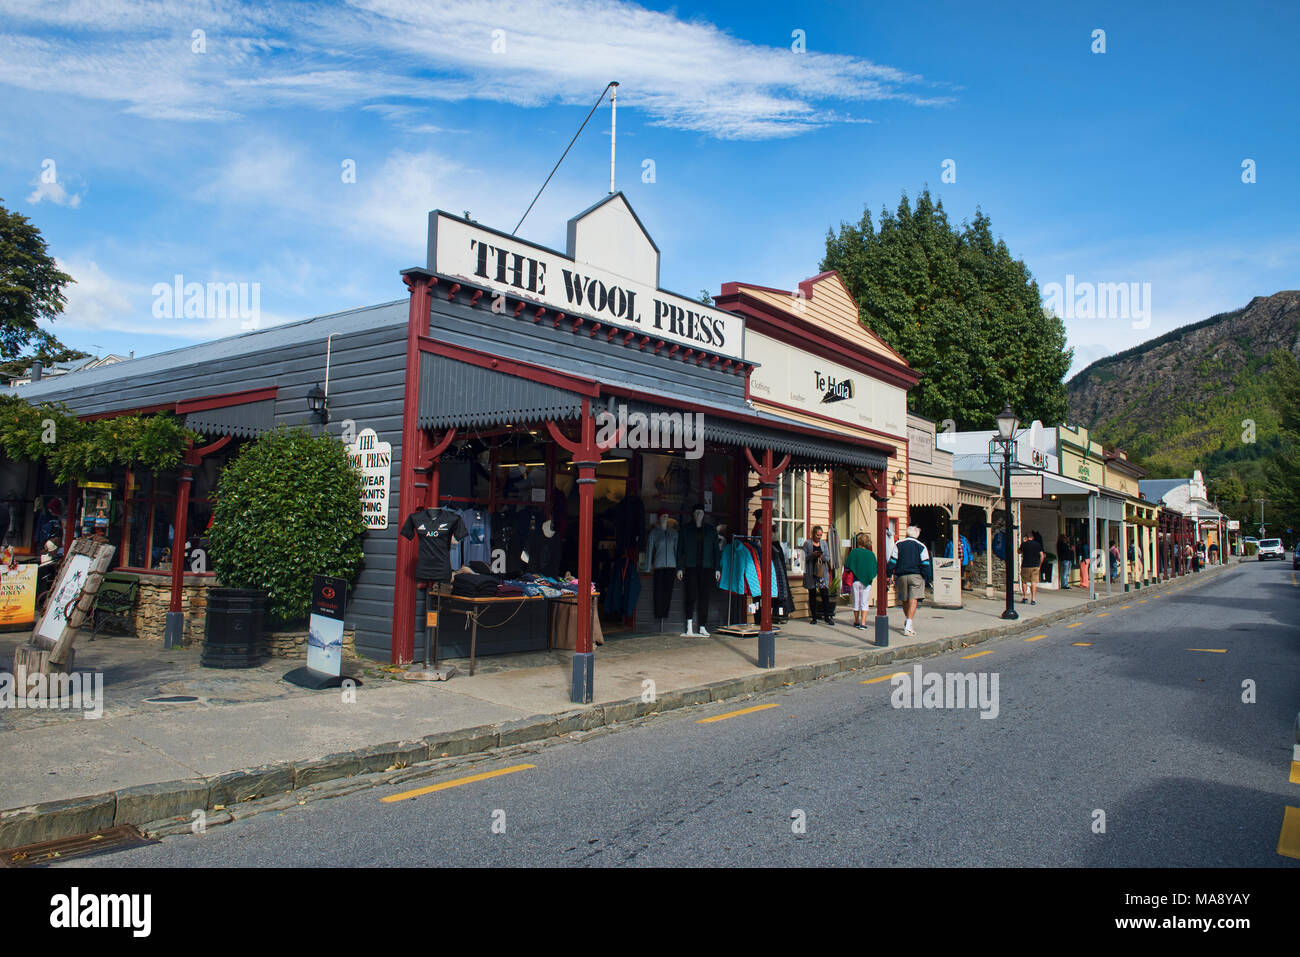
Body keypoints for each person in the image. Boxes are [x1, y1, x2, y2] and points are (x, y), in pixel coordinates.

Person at [886, 525, 932, 637]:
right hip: (916, 575)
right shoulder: (921, 546)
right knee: (913, 599)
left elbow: (892, 561)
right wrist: (928, 578)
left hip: (901, 576)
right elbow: (925, 564)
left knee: (905, 600)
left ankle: (908, 621)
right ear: (917, 535)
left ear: (907, 533)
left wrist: (888, 574)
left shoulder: (898, 544)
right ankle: (909, 624)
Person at [802, 525, 837, 625]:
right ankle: (814, 617)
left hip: (821, 572)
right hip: (811, 571)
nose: (819, 537)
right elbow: (803, 557)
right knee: (812, 594)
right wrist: (812, 555)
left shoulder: (824, 543)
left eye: (821, 535)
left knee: (824, 594)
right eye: (817, 535)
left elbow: (828, 557)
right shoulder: (807, 543)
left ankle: (827, 616)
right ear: (813, 534)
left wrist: (821, 556)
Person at [845, 532, 877, 630]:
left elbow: (847, 565)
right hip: (867, 582)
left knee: (856, 602)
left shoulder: (854, 552)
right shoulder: (871, 554)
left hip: (855, 581)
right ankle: (863, 623)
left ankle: (856, 621)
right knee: (864, 602)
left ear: (859, 542)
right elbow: (874, 569)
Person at [1019, 530, 1044, 604]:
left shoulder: (1024, 544)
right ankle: (1033, 599)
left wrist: (1024, 542)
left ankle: (1025, 597)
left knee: (1024, 581)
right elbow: (1042, 556)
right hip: (1035, 566)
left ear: (1026, 537)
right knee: (1034, 583)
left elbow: (1018, 552)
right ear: (1032, 538)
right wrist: (1039, 565)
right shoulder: (1038, 545)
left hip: (1026, 565)